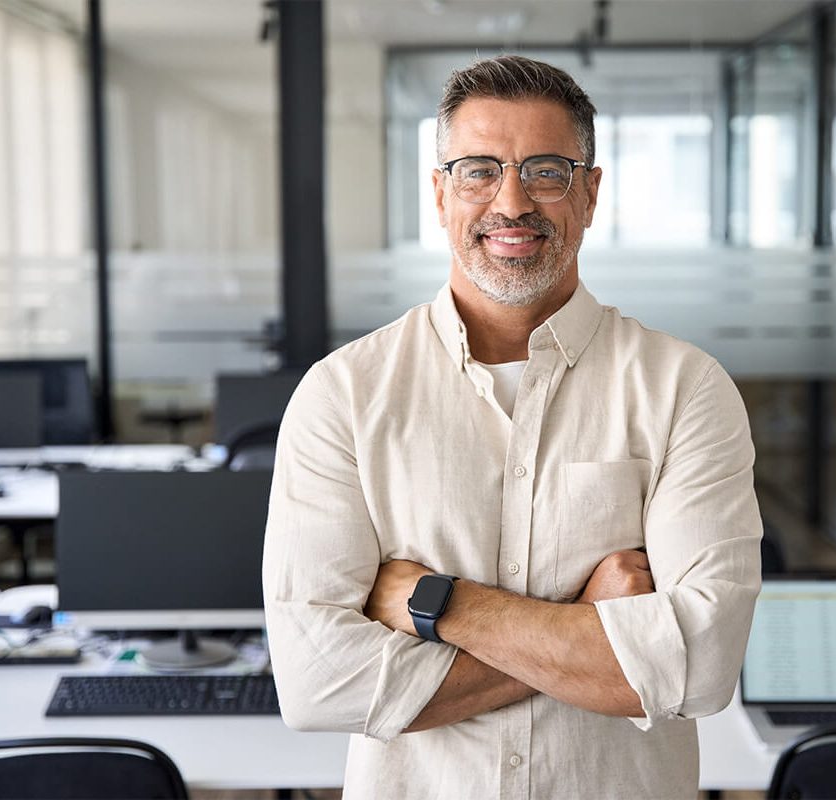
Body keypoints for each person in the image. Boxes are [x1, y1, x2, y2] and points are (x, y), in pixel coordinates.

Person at [263, 55, 762, 800]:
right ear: (439, 193)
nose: (512, 201)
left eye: (547, 171)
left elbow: (697, 666)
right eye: (477, 170)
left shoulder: (685, 389)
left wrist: (439, 605)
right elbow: (320, 684)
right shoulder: (344, 395)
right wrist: (588, 628)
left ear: (590, 193)